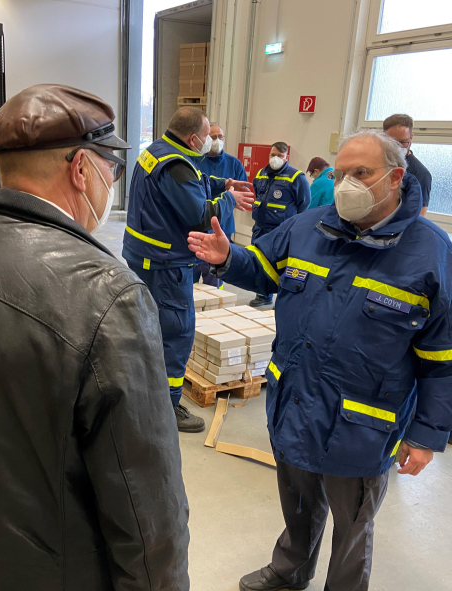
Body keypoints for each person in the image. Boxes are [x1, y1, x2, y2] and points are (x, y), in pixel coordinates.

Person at [0, 84, 190, 591]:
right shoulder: (108, 294)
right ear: (81, 169)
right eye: (111, 166)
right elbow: (144, 501)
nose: (113, 178)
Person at [188, 129, 452, 591]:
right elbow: (266, 270)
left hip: (363, 423)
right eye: (340, 172)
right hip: (296, 400)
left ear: (395, 178)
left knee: (353, 526)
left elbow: (442, 355)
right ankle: (290, 569)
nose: (347, 182)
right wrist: (230, 258)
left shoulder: (429, 251)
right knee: (297, 503)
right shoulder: (308, 227)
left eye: (361, 173)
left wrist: (427, 433)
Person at [122, 107, 254, 432]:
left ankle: (144, 393)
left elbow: (193, 181)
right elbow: (199, 214)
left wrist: (223, 183)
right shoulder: (177, 165)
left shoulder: (157, 151)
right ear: (194, 138)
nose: (211, 140)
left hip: (144, 258)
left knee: (149, 327)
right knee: (177, 334)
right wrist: (228, 200)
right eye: (208, 135)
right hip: (167, 266)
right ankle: (166, 409)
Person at [249, 142, 311, 307]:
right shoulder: (261, 174)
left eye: (280, 156)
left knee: (282, 265)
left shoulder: (296, 177)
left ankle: (283, 299)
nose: (275, 158)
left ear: (286, 157)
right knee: (260, 261)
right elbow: (257, 194)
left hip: (282, 230)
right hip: (260, 228)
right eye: (273, 155)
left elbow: (304, 204)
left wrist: (296, 228)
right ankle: (263, 295)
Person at [193, 123, 249, 287]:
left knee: (216, 274)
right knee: (192, 273)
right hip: (198, 226)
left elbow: (241, 193)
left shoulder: (234, 164)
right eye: (213, 136)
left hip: (223, 226)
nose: (217, 140)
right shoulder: (196, 162)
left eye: (220, 137)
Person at [383, 113, 432, 216]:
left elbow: (419, 216)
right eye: (392, 142)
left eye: (403, 142)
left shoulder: (421, 174)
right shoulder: (378, 163)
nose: (398, 147)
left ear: (411, 138)